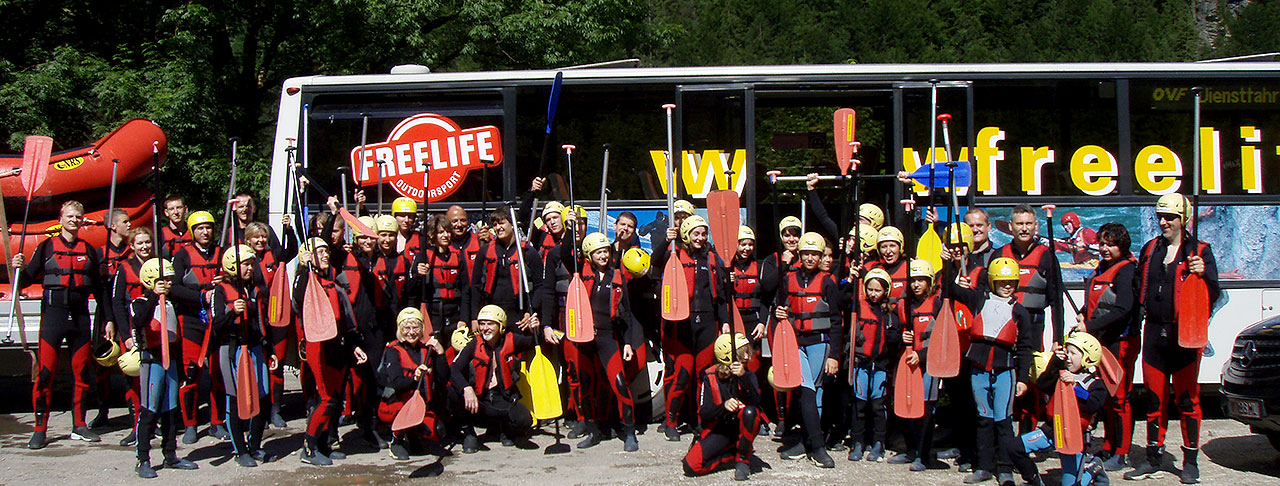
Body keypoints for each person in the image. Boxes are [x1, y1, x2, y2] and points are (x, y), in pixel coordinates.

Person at [1124, 194, 1219, 484]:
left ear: (1183, 219)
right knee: (1154, 399)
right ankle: (1153, 457)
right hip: (1154, 334)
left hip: (1185, 336)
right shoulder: (1151, 249)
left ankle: (1190, 462)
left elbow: (1214, 294)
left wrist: (1202, 275)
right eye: (1160, 217)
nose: (1164, 222)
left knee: (1188, 400)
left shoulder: (1200, 251)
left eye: (1170, 218)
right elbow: (1138, 286)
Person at [16, 201, 105, 449]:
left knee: (82, 372)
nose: (74, 220)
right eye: (70, 216)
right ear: (61, 218)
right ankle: (40, 428)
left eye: (78, 216)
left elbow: (99, 288)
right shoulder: (46, 247)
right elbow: (25, 279)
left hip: (79, 317)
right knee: (45, 374)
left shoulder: (88, 249)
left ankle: (79, 425)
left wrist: (107, 319)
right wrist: (18, 269)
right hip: (53, 316)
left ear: (82, 220)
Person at [946, 256, 1036, 485]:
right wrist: (947, 264)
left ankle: (1004, 468)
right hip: (978, 370)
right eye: (1003, 282)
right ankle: (984, 467)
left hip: (1005, 371)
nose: (1007, 286)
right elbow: (951, 289)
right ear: (993, 281)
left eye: (1012, 282)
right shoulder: (978, 299)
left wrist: (1023, 379)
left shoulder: (1020, 312)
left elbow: (1025, 348)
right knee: (983, 419)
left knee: (1003, 421)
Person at [294, 237, 369, 466]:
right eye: (319, 252)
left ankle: (323, 445)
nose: (325, 255)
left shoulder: (332, 284)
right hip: (319, 345)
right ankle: (308, 448)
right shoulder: (305, 281)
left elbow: (346, 321)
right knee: (326, 399)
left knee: (334, 399)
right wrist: (304, 268)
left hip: (338, 344)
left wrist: (354, 345)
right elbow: (298, 299)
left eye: (326, 251)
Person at [659, 214, 731, 442]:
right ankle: (671, 422)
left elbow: (720, 296)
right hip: (682, 325)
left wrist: (726, 321)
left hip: (708, 324)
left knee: (704, 376)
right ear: (686, 235)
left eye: (703, 233)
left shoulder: (712, 259)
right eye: (695, 234)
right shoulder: (674, 255)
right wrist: (664, 240)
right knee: (681, 375)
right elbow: (654, 263)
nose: (700, 238)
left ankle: (701, 421)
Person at [1075, 223, 1140, 471]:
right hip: (1101, 341)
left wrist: (1090, 326)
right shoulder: (1102, 267)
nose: (1104, 248)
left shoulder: (1126, 271)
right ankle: (1109, 445)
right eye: (1102, 243)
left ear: (1121, 246)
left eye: (1110, 244)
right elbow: (1095, 304)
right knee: (1106, 397)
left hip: (1121, 341)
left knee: (1119, 397)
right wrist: (1083, 316)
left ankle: (1121, 453)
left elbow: (1123, 310)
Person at [774, 232, 842, 468]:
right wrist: (779, 312)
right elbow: (779, 305)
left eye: (815, 254)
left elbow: (836, 321)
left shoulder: (827, 282)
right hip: (795, 342)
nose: (811, 258)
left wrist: (834, 355)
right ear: (799, 255)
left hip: (819, 343)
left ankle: (807, 442)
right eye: (806, 253)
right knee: (806, 391)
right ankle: (819, 449)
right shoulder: (787, 278)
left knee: (817, 394)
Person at [1008, 332, 1111, 486]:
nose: (1068, 356)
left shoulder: (1095, 384)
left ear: (1087, 358)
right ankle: (1035, 481)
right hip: (1051, 430)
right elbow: (1042, 384)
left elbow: (1092, 405)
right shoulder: (1061, 374)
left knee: (1072, 484)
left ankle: (1093, 468)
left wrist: (1074, 387)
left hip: (1074, 438)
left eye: (1073, 353)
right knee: (1013, 447)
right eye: (1067, 352)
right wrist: (1055, 362)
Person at [996, 204, 1065, 432]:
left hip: (1034, 326)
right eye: (1019, 224)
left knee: (1031, 381)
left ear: (1036, 226)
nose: (1024, 229)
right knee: (1006, 379)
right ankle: (1004, 434)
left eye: (1028, 224)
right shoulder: (1000, 255)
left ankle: (1027, 434)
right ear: (1011, 226)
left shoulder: (1047, 257)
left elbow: (1056, 301)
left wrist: (1058, 338)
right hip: (1006, 327)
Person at [130, 257, 199, 478]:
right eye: (164, 280)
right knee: (149, 411)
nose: (169, 284)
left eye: (170, 280)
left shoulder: (170, 304)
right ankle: (143, 460)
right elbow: (140, 321)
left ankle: (170, 455)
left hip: (170, 363)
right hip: (152, 361)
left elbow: (175, 338)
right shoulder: (140, 302)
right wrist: (153, 295)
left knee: (170, 410)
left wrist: (180, 370)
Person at [576, 232, 642, 451]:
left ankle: (629, 431)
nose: (603, 255)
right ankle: (593, 431)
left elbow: (627, 313)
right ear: (589, 255)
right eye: (598, 252)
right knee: (586, 386)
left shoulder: (617, 276)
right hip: (585, 339)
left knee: (620, 385)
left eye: (605, 251)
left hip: (608, 337)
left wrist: (627, 343)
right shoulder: (580, 273)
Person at [210, 244, 274, 467]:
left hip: (255, 348)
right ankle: (240, 450)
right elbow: (216, 324)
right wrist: (231, 312)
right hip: (233, 349)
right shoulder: (221, 290)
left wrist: (270, 348)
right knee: (235, 399)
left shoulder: (254, 289)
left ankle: (255, 445)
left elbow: (262, 322)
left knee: (263, 397)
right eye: (246, 264)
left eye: (251, 264)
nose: (250, 268)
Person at [169, 210, 228, 444]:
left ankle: (217, 422)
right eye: (200, 228)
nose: (206, 232)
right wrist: (202, 297)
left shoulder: (221, 253)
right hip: (192, 321)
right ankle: (190, 423)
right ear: (193, 232)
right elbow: (174, 288)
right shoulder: (182, 256)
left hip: (216, 323)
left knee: (218, 374)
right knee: (192, 374)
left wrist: (222, 284)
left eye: (209, 228)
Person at [449, 305, 536, 453]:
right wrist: (466, 388)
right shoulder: (473, 344)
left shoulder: (512, 339)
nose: (485, 328)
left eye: (490, 324)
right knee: (452, 391)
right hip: (479, 402)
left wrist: (536, 330)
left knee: (524, 419)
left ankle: (503, 430)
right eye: (482, 323)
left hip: (502, 400)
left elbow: (533, 342)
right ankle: (470, 434)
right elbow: (453, 369)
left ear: (500, 325)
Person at [682, 333, 763, 481]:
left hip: (742, 425)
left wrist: (743, 377)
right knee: (691, 466)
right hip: (721, 429)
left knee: (751, 412)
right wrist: (724, 406)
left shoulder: (748, 374)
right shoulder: (710, 376)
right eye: (742, 352)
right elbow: (704, 413)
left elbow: (757, 403)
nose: (747, 356)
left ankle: (742, 460)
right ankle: (731, 454)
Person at [893, 259, 946, 471]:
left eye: (921, 280)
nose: (916, 285)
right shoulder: (902, 305)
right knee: (905, 406)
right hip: (907, 363)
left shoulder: (936, 304)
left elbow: (942, 338)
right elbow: (890, 335)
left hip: (928, 364)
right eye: (913, 280)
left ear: (929, 282)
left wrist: (921, 355)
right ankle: (910, 450)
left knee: (926, 408)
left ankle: (923, 455)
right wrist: (900, 337)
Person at [110, 227, 160, 447]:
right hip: (132, 331)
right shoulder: (124, 268)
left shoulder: (160, 265)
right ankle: (138, 426)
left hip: (155, 329)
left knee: (156, 377)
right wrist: (125, 335)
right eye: (140, 243)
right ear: (132, 246)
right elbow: (118, 303)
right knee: (134, 379)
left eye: (147, 242)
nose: (144, 247)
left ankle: (154, 423)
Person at [245, 219, 297, 429]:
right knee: (259, 364)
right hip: (255, 318)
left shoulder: (274, 255)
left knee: (278, 363)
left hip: (277, 314)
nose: (260, 240)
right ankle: (259, 410)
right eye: (256, 237)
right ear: (247, 240)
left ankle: (275, 409)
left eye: (263, 236)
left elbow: (291, 250)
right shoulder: (244, 260)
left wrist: (288, 229)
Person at [376, 307, 447, 460]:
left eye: (415, 327)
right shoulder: (393, 350)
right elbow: (397, 383)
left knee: (438, 431)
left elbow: (442, 379)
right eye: (406, 328)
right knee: (404, 408)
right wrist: (414, 378)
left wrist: (441, 354)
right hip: (395, 405)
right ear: (400, 329)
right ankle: (397, 440)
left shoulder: (426, 350)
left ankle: (414, 436)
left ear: (421, 329)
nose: (411, 332)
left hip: (419, 406)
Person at [847, 268, 901, 462]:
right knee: (859, 404)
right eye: (869, 289)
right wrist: (851, 278)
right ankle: (858, 442)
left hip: (880, 366)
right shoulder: (858, 307)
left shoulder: (890, 315)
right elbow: (843, 298)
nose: (873, 294)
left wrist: (893, 334)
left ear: (885, 291)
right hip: (861, 363)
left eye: (877, 290)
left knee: (878, 405)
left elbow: (895, 340)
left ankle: (879, 442)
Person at [91, 208, 134, 431]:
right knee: (103, 364)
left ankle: (134, 413)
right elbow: (98, 289)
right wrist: (108, 318)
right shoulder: (100, 255)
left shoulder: (132, 252)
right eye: (125, 222)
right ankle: (102, 411)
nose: (129, 225)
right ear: (113, 226)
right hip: (105, 313)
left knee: (130, 363)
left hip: (126, 312)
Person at [390, 196, 423, 261]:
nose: (406, 220)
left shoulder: (421, 239)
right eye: (402, 215)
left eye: (410, 216)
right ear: (394, 216)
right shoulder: (386, 238)